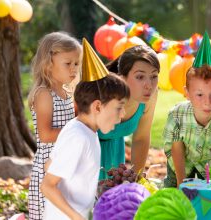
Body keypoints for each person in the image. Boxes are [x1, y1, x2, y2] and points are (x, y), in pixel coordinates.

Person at [40, 39, 130, 219]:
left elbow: (50, 164)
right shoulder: (79, 137)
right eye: (119, 107)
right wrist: (78, 217)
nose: (123, 115)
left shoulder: (84, 130)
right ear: (97, 107)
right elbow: (47, 186)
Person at [163, 32, 211, 187]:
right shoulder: (177, 115)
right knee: (173, 194)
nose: (207, 102)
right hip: (179, 164)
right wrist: (181, 183)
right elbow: (176, 148)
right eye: (199, 95)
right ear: (187, 93)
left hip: (208, 165)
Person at [27, 32, 81, 220]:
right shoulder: (44, 94)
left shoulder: (67, 93)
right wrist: (77, 132)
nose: (73, 69)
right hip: (49, 166)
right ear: (49, 64)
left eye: (76, 63)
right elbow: (46, 135)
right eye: (68, 63)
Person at [99, 45, 160, 179]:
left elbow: (141, 138)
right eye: (140, 77)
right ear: (122, 77)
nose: (149, 85)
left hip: (115, 158)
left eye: (154, 76)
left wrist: (136, 178)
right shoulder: (103, 94)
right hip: (86, 160)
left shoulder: (149, 96)